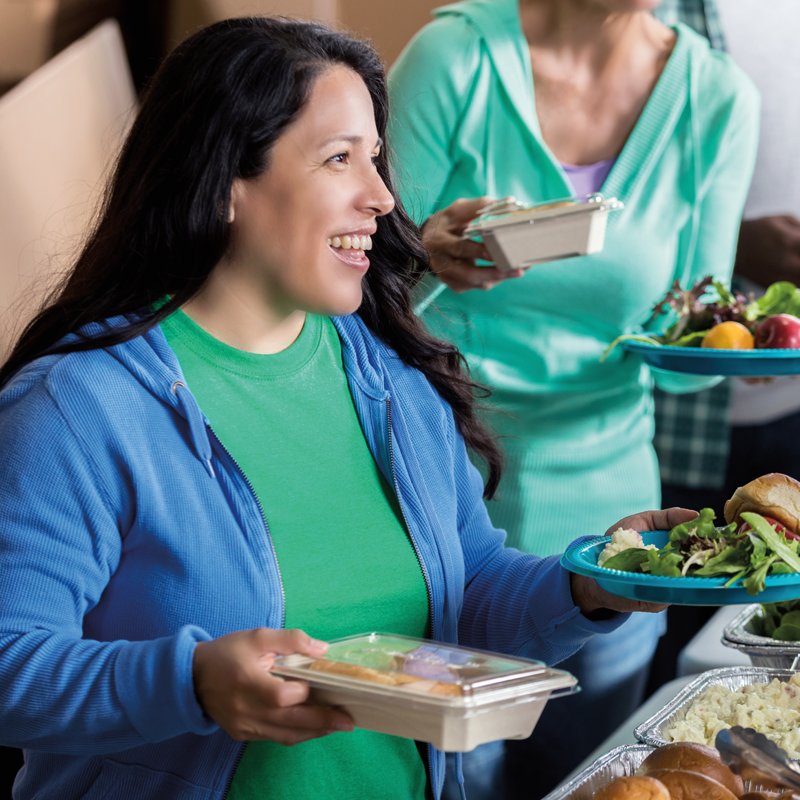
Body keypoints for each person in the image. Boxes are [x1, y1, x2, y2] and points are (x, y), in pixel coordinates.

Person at [0, 16, 686, 800]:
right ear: (226, 182)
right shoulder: (79, 408)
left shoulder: (390, 375)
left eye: (375, 158)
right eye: (338, 160)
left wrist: (592, 580)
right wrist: (189, 683)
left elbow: (462, 607)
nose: (382, 195)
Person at [387, 0, 759, 796]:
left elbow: (687, 345)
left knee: (601, 784)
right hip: (439, 513)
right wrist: (425, 258)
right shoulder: (453, 59)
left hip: (609, 533)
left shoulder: (715, 97)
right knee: (455, 785)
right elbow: (350, 293)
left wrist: (738, 341)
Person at [648, 0, 800, 693]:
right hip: (680, 417)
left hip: (792, 408)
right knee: (670, 630)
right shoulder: (654, 13)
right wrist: (735, 242)